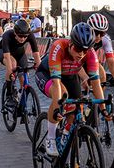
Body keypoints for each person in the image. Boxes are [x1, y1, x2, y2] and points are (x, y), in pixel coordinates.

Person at [35, 22, 104, 157]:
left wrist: (104, 108)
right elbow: (56, 84)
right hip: (47, 74)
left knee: (76, 108)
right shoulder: (59, 46)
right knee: (62, 95)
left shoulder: (90, 53)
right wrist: (57, 108)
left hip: (70, 76)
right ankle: (50, 138)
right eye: (78, 49)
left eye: (85, 50)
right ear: (71, 43)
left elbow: (96, 84)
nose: (81, 54)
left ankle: (66, 134)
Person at [0, 19, 42, 109]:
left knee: (23, 75)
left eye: (25, 37)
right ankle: (9, 94)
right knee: (13, 64)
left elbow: (36, 54)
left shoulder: (30, 35)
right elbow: (7, 58)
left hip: (19, 53)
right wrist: (11, 73)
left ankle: (21, 98)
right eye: (20, 36)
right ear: (15, 33)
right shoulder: (7, 35)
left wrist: (40, 69)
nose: (23, 39)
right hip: (4, 52)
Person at [84, 13, 114, 92]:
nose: (98, 36)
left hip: (88, 60)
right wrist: (84, 77)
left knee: (102, 76)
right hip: (74, 61)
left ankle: (99, 103)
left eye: (101, 33)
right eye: (95, 32)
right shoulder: (82, 35)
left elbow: (111, 60)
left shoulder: (105, 39)